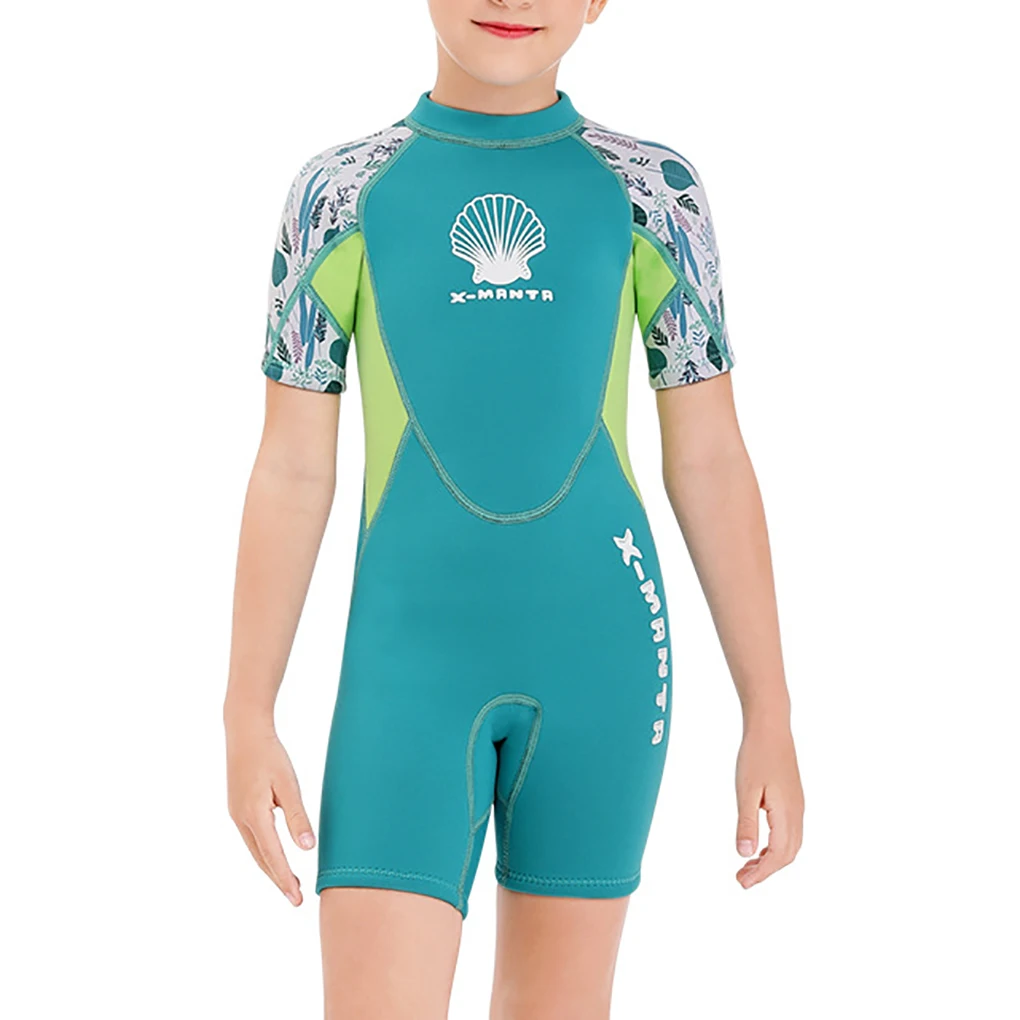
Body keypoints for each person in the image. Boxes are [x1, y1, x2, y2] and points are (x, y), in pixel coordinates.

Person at [224, 1, 804, 1016]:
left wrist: (771, 712)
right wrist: (245, 708)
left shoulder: (654, 193)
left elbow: (709, 456)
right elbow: (291, 468)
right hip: (406, 674)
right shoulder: (338, 197)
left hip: (604, 667)